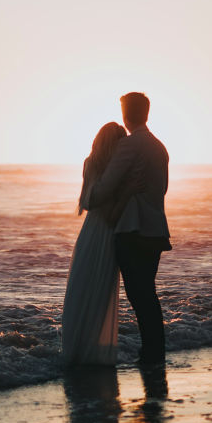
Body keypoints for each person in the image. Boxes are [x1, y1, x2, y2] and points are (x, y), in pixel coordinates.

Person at [89, 92, 171, 364]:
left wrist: (93, 191)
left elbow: (103, 190)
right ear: (146, 113)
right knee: (147, 294)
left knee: (139, 296)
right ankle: (154, 351)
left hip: (132, 231)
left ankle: (151, 354)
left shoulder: (130, 145)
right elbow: (164, 189)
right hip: (156, 230)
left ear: (126, 114)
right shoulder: (160, 147)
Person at [61, 122, 131, 366]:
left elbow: (87, 202)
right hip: (108, 232)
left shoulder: (94, 163)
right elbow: (93, 202)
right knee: (98, 291)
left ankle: (77, 348)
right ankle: (90, 350)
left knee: (83, 288)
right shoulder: (113, 168)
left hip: (93, 231)